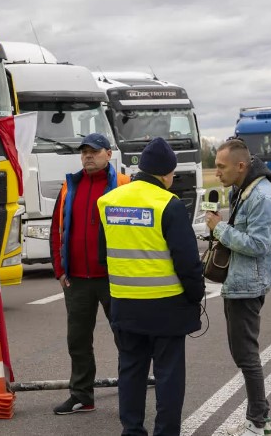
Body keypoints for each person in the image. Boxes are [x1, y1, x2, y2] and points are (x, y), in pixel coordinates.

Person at [98, 137, 204, 436]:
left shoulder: (109, 201)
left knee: (130, 371)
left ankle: (132, 430)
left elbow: (100, 255)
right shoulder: (168, 204)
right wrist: (196, 295)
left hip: (124, 303)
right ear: (165, 174)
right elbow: (187, 260)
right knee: (168, 375)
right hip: (166, 305)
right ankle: (166, 432)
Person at [205, 138, 271, 436]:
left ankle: (258, 421)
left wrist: (219, 229)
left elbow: (258, 245)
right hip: (241, 281)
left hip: (248, 285)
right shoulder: (244, 190)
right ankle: (259, 416)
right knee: (243, 353)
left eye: (221, 167)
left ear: (241, 166)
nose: (217, 172)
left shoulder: (260, 197)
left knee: (246, 355)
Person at [49, 132, 129, 415]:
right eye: (84, 152)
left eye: (94, 151)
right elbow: (56, 229)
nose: (88, 156)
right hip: (77, 280)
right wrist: (60, 270)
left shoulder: (123, 185)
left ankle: (131, 394)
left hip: (112, 278)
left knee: (126, 338)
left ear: (109, 154)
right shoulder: (70, 186)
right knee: (78, 341)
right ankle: (82, 395)